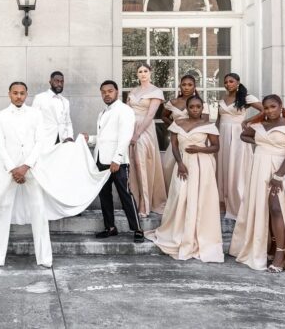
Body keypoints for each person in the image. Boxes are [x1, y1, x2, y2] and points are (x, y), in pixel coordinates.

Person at [0, 82, 109, 269]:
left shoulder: (35, 114)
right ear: (9, 94)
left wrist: (26, 166)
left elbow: (40, 142)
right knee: (2, 211)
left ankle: (45, 258)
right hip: (8, 170)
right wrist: (13, 168)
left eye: (22, 93)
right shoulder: (0, 116)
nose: (19, 96)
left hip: (32, 169)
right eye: (15, 93)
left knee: (39, 211)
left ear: (26, 95)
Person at [230, 95, 285, 273]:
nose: (269, 110)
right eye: (266, 108)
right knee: (264, 209)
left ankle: (281, 252)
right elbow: (243, 134)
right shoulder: (261, 125)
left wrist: (278, 177)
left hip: (281, 170)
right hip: (260, 169)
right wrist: (261, 140)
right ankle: (270, 247)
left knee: (277, 208)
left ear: (280, 106)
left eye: (273, 107)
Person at [146, 95, 223, 263]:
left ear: (202, 108)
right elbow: (173, 145)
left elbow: (216, 147)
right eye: (192, 107)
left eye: (198, 107)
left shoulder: (208, 125)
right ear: (187, 108)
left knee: (200, 198)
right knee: (179, 195)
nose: (195, 109)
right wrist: (180, 163)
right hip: (183, 164)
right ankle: (179, 230)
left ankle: (198, 234)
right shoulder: (177, 124)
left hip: (202, 165)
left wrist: (200, 149)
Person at [82, 80, 144, 243]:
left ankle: (137, 229)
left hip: (118, 161)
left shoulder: (124, 110)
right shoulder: (102, 113)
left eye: (110, 91)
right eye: (103, 92)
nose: (106, 94)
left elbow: (125, 137)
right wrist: (90, 139)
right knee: (104, 196)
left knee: (125, 194)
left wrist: (116, 159)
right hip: (101, 160)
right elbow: (104, 138)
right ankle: (110, 227)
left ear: (117, 92)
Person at [216, 73, 263, 219]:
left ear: (238, 82)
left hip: (237, 135)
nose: (228, 84)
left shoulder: (246, 97)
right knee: (223, 167)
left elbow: (264, 110)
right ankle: (223, 202)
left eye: (231, 81)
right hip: (222, 135)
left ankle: (239, 203)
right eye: (226, 82)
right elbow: (218, 120)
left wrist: (247, 121)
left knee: (236, 167)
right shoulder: (222, 98)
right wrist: (214, 136)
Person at [127, 63, 166, 217]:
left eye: (145, 71)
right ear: (137, 74)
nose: (143, 74)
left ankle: (146, 204)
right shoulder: (133, 91)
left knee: (141, 163)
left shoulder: (156, 91)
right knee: (132, 164)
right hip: (130, 127)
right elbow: (125, 110)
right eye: (140, 71)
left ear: (150, 73)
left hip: (144, 128)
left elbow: (150, 115)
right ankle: (135, 201)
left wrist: (137, 134)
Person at [160, 75, 210, 193]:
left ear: (194, 87)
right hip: (177, 141)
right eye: (184, 84)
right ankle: (173, 198)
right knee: (168, 168)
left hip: (194, 142)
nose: (186, 87)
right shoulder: (172, 102)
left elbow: (205, 123)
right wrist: (174, 127)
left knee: (193, 172)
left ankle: (192, 196)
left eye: (190, 85)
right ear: (180, 86)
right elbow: (163, 116)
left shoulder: (201, 103)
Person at [32, 71, 74, 151]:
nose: (59, 84)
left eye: (62, 82)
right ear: (50, 82)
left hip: (63, 142)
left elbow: (68, 122)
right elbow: (33, 122)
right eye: (56, 81)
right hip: (45, 143)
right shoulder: (40, 98)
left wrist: (70, 137)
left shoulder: (65, 101)